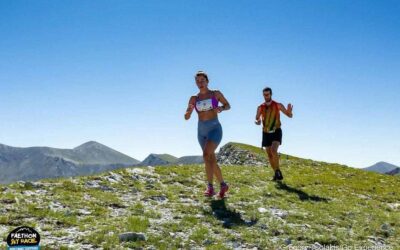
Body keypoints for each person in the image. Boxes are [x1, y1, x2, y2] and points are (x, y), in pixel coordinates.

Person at [184, 71, 231, 198]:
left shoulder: (215, 94)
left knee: (206, 154)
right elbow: (186, 116)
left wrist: (221, 108)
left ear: (207, 81)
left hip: (215, 129)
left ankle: (210, 187)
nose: (200, 83)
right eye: (197, 81)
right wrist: (188, 113)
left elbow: (228, 105)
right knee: (210, 159)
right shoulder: (194, 98)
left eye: (202, 80)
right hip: (201, 131)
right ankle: (223, 185)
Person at [255, 87, 293, 181]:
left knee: (273, 150)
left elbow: (289, 115)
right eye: (264, 94)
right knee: (269, 155)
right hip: (266, 132)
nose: (265, 96)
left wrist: (289, 112)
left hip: (276, 131)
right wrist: (258, 121)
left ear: (271, 94)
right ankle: (277, 171)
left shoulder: (278, 105)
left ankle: (277, 171)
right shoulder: (260, 107)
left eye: (267, 94)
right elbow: (257, 118)